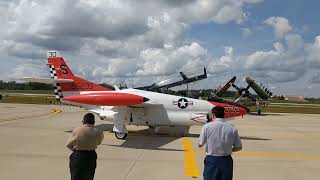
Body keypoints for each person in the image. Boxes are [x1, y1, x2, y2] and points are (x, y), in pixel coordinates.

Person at [198, 106, 242, 180]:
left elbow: (200, 144)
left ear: (213, 115)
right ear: (223, 115)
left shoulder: (207, 126)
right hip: (226, 161)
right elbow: (239, 147)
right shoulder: (232, 128)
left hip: (212, 160)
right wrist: (229, 150)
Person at [66, 113, 104, 180]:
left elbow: (68, 144)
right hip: (91, 157)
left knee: (75, 177)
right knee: (89, 177)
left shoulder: (77, 130)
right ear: (94, 122)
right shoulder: (99, 132)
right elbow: (99, 143)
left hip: (78, 157)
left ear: (83, 121)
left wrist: (76, 151)